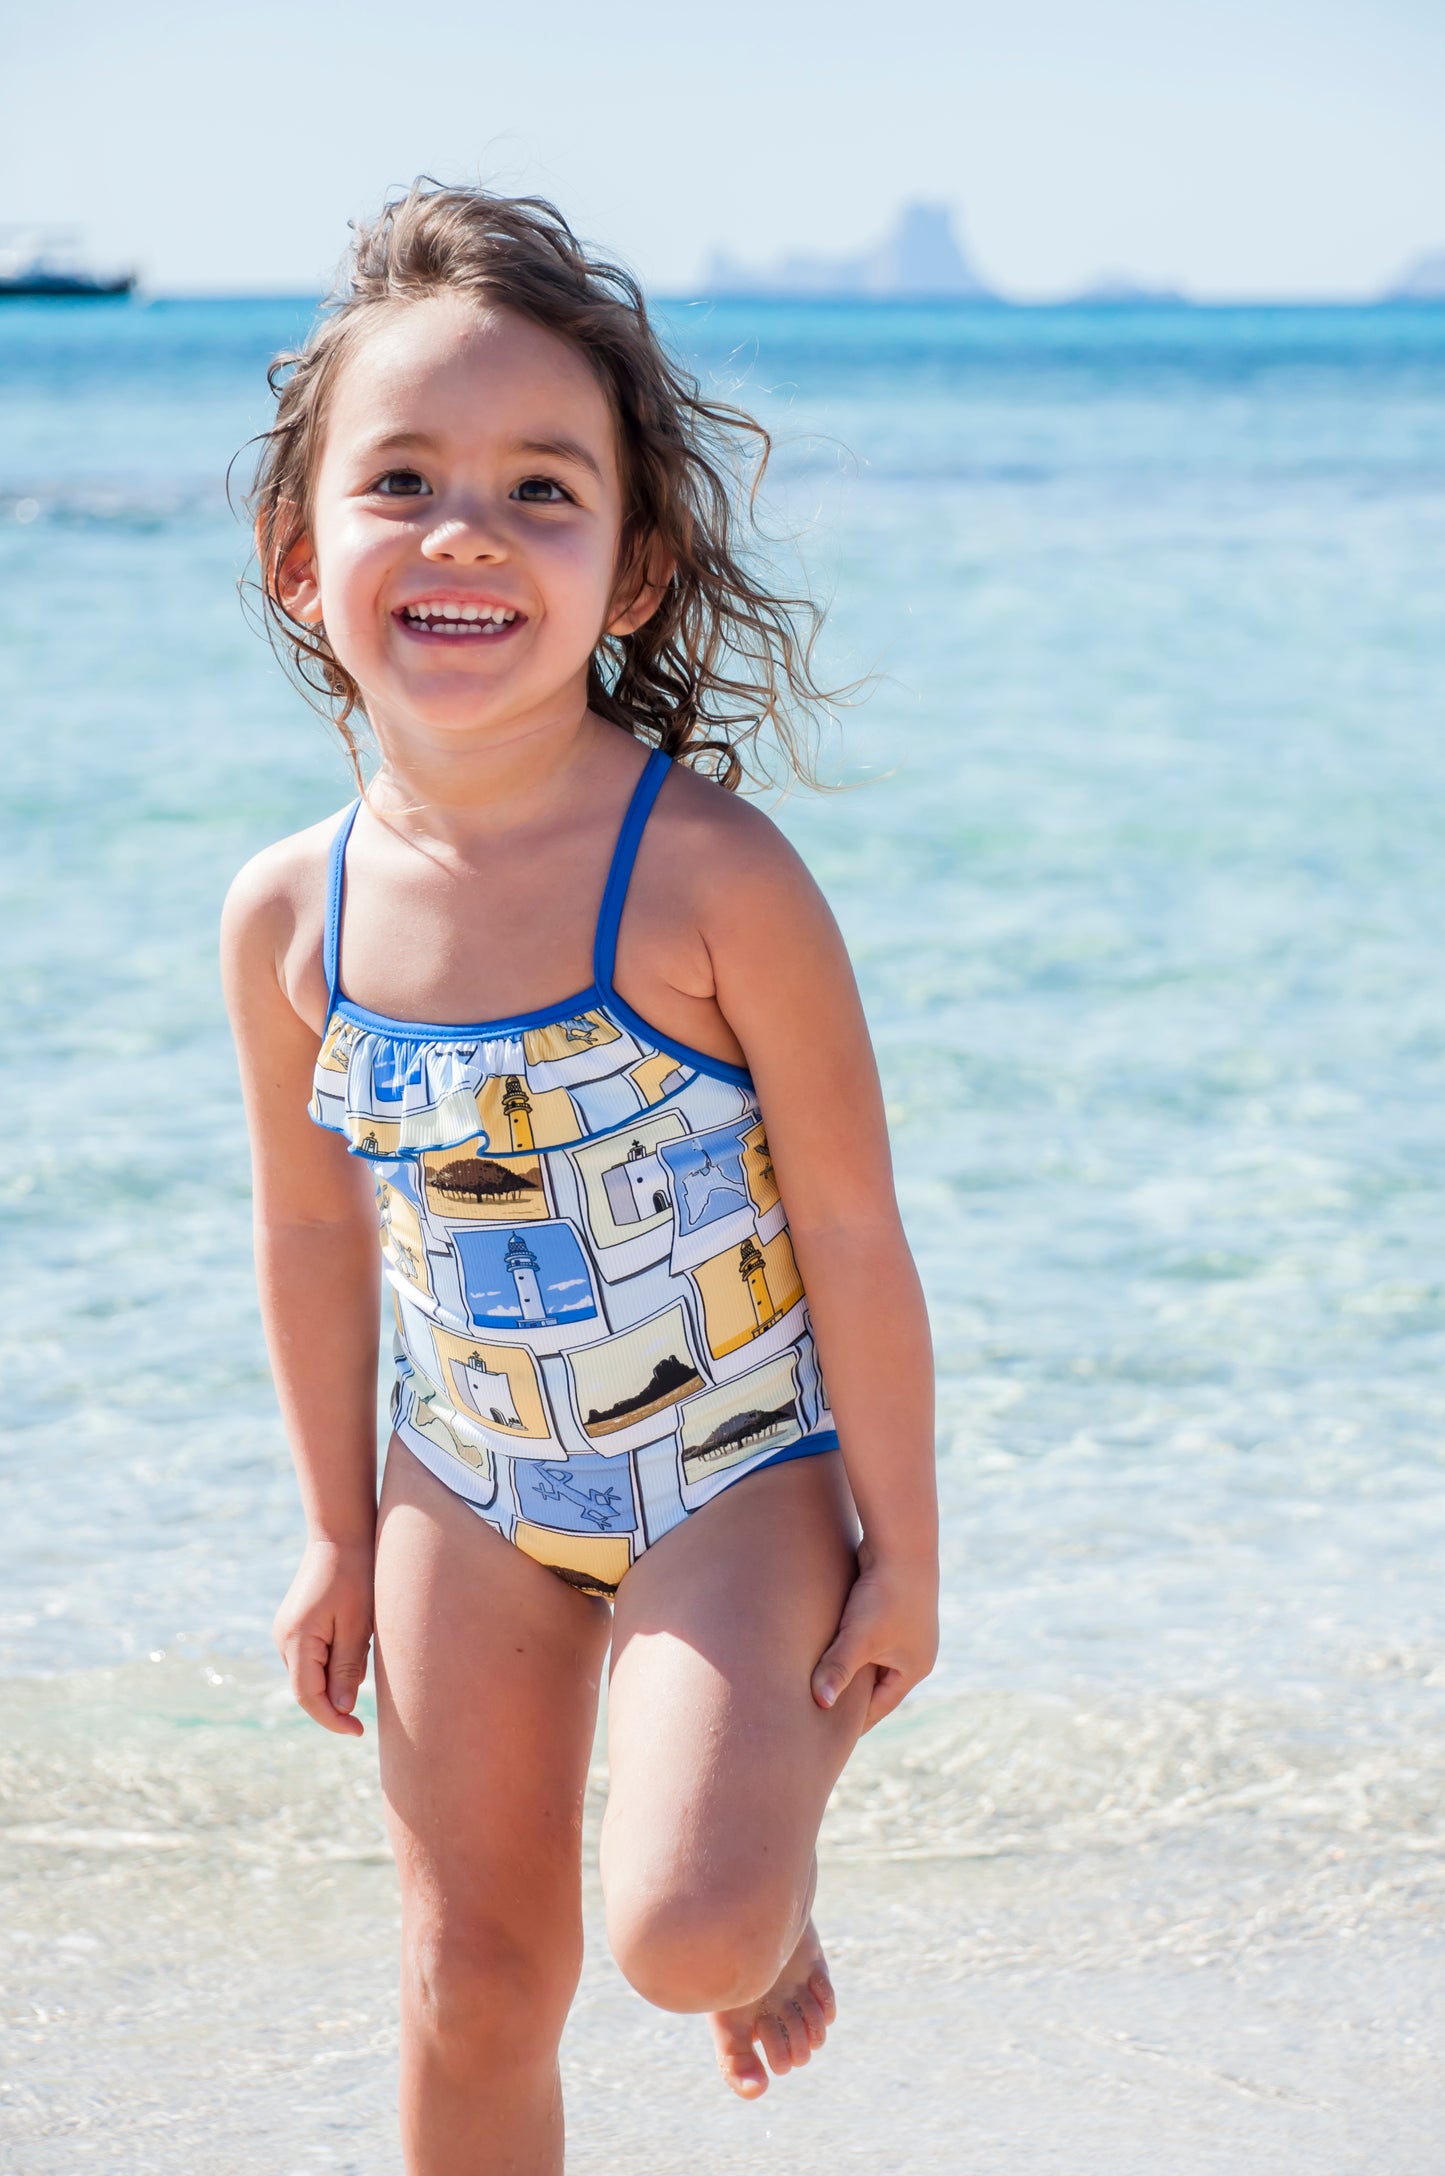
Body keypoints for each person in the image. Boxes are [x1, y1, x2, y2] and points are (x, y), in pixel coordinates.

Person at [221, 181, 937, 2176]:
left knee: (682, 1925)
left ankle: (758, 1912)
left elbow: (859, 1230)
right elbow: (305, 1226)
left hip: (734, 1471)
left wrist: (909, 1546)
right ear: (303, 556)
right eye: (404, 482)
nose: (466, 531)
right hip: (467, 1477)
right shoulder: (293, 911)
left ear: (632, 571)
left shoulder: (715, 879)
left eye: (544, 489)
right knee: (470, 1979)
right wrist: (336, 1527)